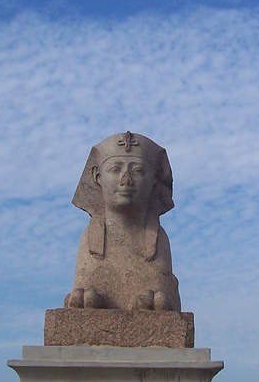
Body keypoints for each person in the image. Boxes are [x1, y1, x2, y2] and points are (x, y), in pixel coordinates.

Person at [65, 132, 181, 311]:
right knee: (84, 297)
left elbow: (162, 295)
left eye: (138, 171)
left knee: (157, 299)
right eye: (115, 169)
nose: (126, 180)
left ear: (155, 178)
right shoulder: (90, 237)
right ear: (97, 176)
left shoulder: (158, 238)